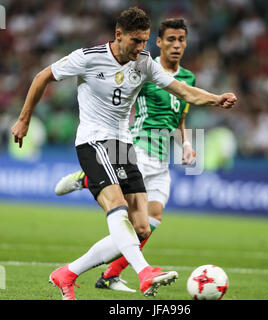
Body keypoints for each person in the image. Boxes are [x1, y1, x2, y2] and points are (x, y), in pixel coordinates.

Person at [11, 7, 237, 300]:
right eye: (136, 41)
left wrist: (217, 99)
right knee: (116, 206)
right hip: (94, 142)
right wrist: (25, 118)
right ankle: (145, 273)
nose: (141, 47)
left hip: (122, 145)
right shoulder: (88, 57)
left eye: (145, 41)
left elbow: (183, 91)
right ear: (119, 35)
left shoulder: (143, 63)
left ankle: (66, 274)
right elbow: (43, 76)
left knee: (142, 228)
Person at [55, 18, 198, 293]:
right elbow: (116, 94)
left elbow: (178, 118)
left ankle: (103, 272)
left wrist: (186, 144)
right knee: (124, 213)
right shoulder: (144, 67)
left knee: (149, 224)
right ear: (159, 42)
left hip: (162, 157)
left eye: (181, 40)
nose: (177, 45)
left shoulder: (188, 79)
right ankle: (91, 178)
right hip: (137, 148)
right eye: (171, 39)